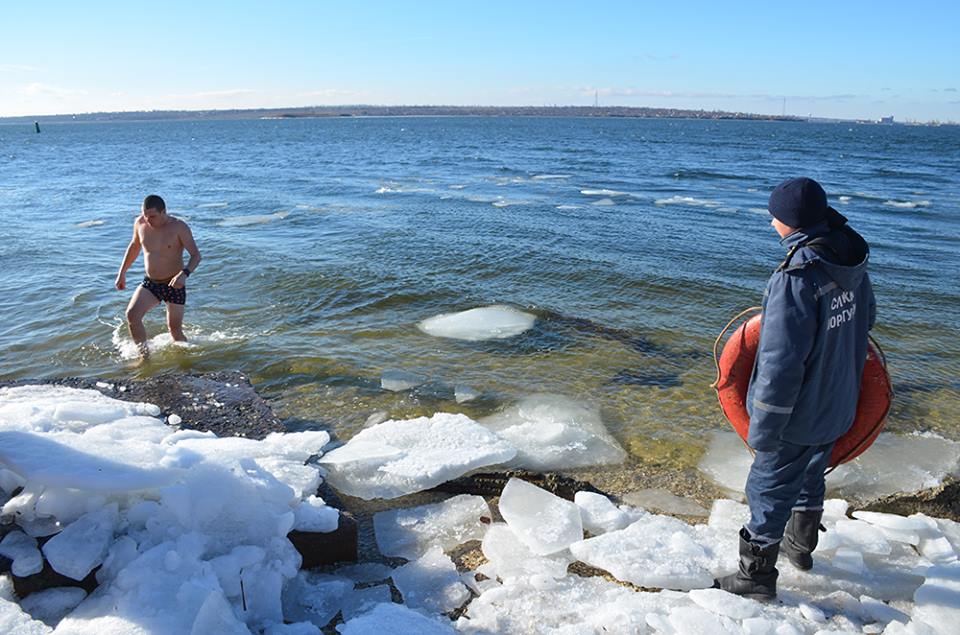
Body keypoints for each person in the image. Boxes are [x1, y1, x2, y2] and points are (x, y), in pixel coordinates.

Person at [716, 177, 876, 599]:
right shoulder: (849, 260)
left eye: (776, 216)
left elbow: (780, 362)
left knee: (768, 486)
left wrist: (765, 427)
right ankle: (801, 547)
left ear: (791, 222)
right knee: (811, 473)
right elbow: (867, 321)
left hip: (799, 412)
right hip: (839, 400)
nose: (772, 223)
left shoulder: (797, 277)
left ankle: (755, 578)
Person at [115, 194, 201, 358]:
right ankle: (144, 358)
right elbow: (134, 247)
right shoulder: (140, 223)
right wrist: (122, 273)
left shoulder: (179, 227)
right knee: (132, 315)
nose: (148, 220)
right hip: (151, 283)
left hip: (174, 284)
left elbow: (196, 256)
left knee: (175, 330)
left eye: (152, 216)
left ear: (164, 212)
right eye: (145, 215)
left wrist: (185, 274)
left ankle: (186, 363)